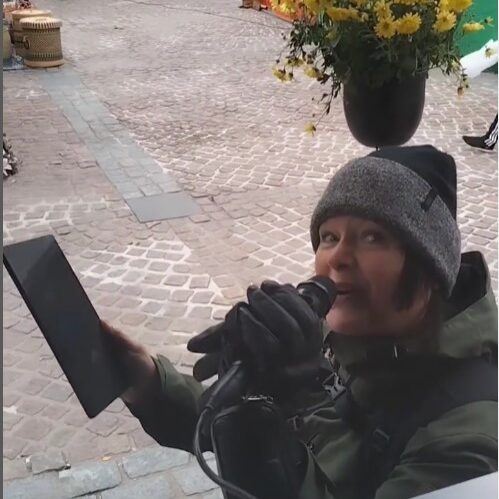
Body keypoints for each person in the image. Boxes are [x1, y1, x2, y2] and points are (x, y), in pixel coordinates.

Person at [103, 145, 497, 499]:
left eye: (372, 237)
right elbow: (243, 427)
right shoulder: (356, 334)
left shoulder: (469, 440)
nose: (337, 257)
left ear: (430, 270)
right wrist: (151, 385)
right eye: (329, 236)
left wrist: (291, 398)